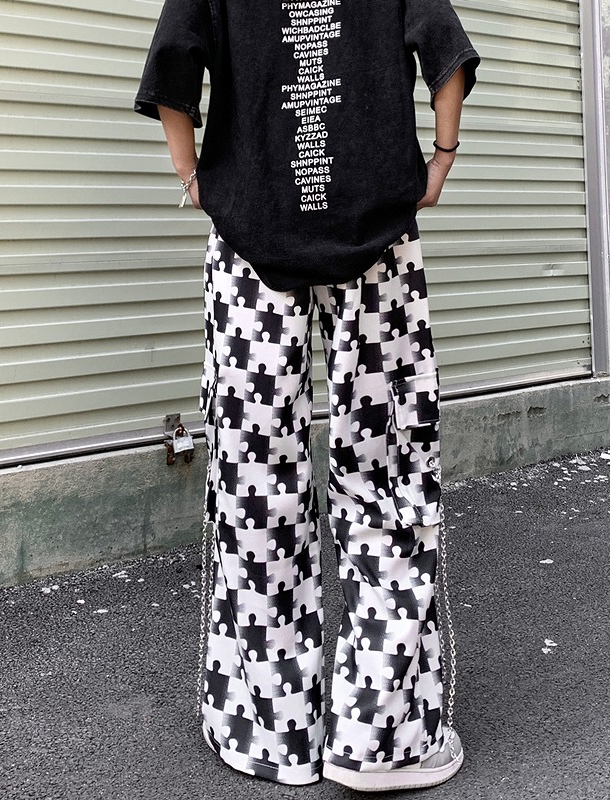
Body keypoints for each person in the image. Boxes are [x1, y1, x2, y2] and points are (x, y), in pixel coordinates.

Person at [135, 0, 479, 791]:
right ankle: (383, 741)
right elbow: (447, 58)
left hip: (249, 242)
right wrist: (442, 155)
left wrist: (193, 177)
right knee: (387, 469)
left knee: (256, 482)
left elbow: (172, 67)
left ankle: (271, 733)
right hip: (377, 239)